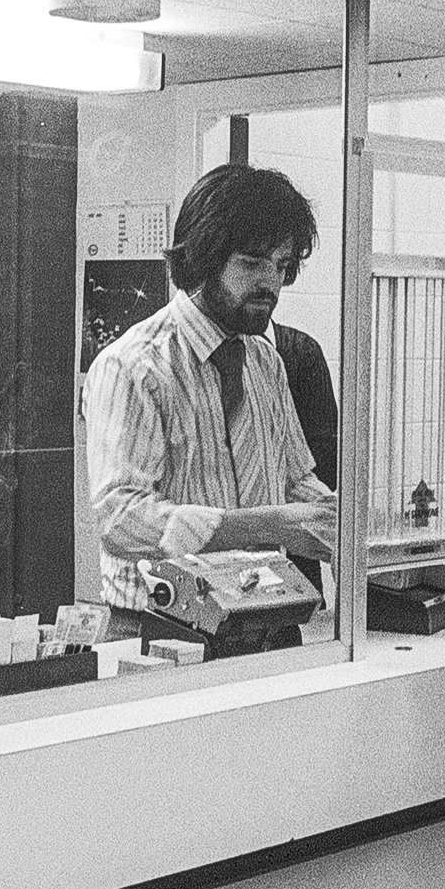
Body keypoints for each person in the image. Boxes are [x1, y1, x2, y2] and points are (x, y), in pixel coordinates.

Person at [82, 164, 337, 656]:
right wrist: (265, 525)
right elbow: (119, 520)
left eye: (281, 266)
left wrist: (347, 526)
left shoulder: (265, 359)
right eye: (252, 263)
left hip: (264, 619)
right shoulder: (134, 366)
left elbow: (296, 480)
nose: (271, 283)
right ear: (202, 259)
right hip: (163, 631)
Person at [270, 316, 339, 598]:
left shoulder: (276, 359)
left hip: (296, 563)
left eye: (279, 268)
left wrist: (345, 532)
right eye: (252, 266)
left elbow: (314, 470)